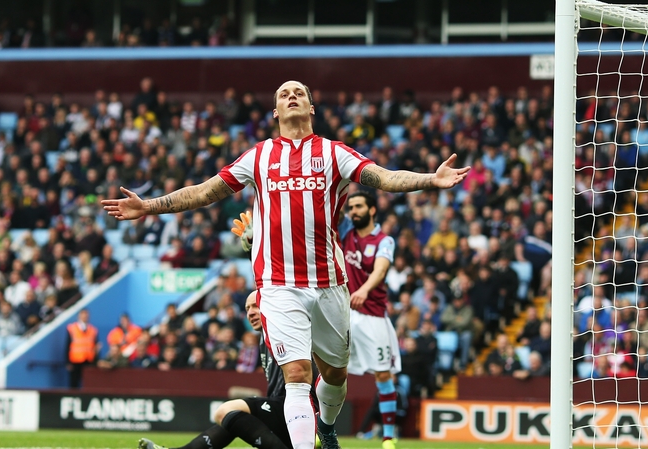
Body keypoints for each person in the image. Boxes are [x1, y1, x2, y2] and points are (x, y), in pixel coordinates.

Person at [104, 80, 469, 449]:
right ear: (275, 112)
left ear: (311, 108)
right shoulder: (258, 156)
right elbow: (203, 191)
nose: (291, 96)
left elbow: (385, 178)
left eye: (299, 93)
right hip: (278, 285)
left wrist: (430, 180)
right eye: (283, 94)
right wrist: (149, 206)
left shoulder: (333, 153)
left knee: (335, 376)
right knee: (296, 373)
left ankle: (326, 428)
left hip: (329, 284)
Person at [139, 292, 300, 449]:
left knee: (226, 411)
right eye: (247, 308)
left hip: (295, 407)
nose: (250, 313)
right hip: (280, 408)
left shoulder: (284, 332)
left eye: (256, 306)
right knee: (232, 419)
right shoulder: (263, 339)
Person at [339, 191, 400, 448]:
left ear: (372, 209)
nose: (354, 211)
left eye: (359, 206)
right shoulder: (345, 232)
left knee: (383, 375)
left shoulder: (384, 240)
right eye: (351, 207)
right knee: (329, 369)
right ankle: (321, 429)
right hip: (344, 313)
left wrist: (364, 289)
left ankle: (388, 436)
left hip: (373, 316)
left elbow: (381, 268)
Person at [66, 308, 99, 388]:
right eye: (82, 314)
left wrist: (96, 360)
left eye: (86, 314)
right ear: (79, 316)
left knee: (89, 384)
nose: (85, 316)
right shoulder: (72, 328)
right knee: (74, 383)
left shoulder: (93, 330)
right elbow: (67, 345)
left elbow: (96, 346)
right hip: (75, 360)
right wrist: (67, 361)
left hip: (89, 360)